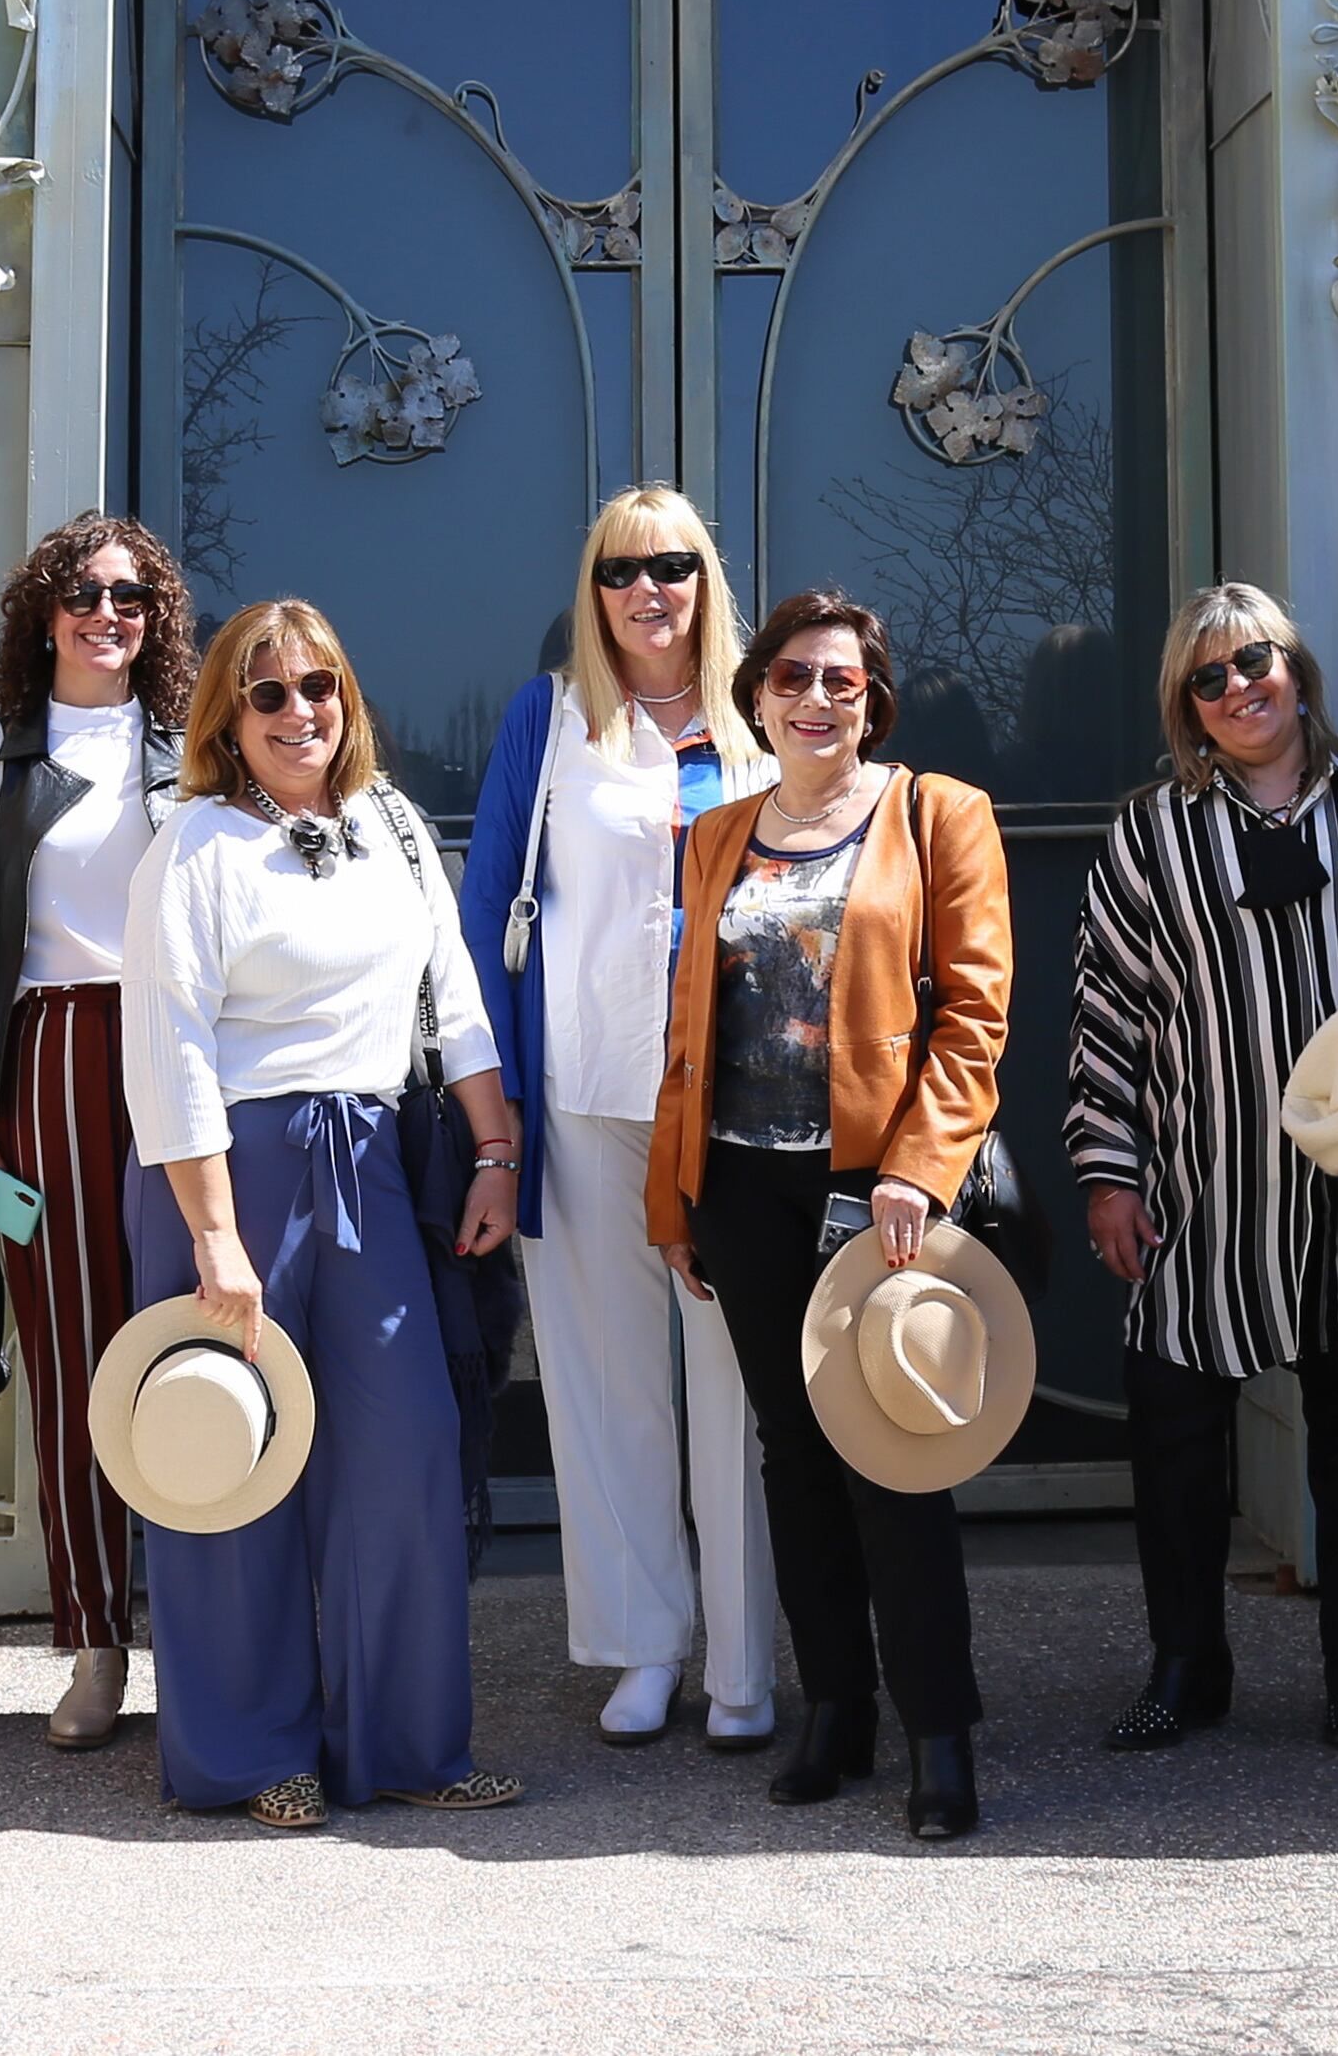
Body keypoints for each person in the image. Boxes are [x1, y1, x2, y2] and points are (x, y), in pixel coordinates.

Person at [117, 599, 527, 1828]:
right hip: (229, 1167)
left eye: (320, 687)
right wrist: (211, 1235)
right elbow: (168, 1044)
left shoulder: (390, 821)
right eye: (269, 694)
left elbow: (450, 985)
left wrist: (495, 1145)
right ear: (225, 720)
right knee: (227, 1456)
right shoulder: (188, 844)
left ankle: (406, 1742)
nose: (301, 712)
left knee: (401, 1452)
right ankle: (247, 1753)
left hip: (373, 1162)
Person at [653, 589, 1009, 1841]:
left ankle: (938, 1731)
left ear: (873, 698)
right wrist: (675, 1195)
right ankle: (834, 1710)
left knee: (895, 1453)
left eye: (840, 682)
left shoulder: (936, 814)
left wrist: (917, 1164)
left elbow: (972, 1015)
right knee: (792, 1458)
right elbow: (687, 1030)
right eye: (793, 677)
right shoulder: (719, 834)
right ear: (755, 695)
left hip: (872, 1188)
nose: (814, 699)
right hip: (744, 1183)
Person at [1067, 585, 1338, 1752]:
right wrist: (1108, 1173)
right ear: (1185, 704)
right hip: (1200, 1185)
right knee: (1173, 1440)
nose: (1237, 690)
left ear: (1296, 662)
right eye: (1206, 679)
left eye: (1254, 661)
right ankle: (1185, 1662)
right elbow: (1105, 1015)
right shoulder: (1150, 831)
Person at [460, 487, 780, 1752]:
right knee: (606, 1392)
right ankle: (645, 1646)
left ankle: (745, 1663)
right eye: (619, 569)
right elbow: (486, 910)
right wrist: (500, 1119)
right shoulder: (549, 722)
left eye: (672, 565)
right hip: (583, 1091)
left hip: (738, 1111)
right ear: (590, 593)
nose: (647, 590)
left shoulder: (763, 722)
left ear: (706, 582)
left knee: (734, 1388)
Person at [0, 515, 190, 1750]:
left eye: (130, 598)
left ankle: (205, 1633)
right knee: (76, 1352)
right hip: (55, 1058)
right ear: (42, 612)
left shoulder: (198, 752)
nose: (105, 613)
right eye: (81, 593)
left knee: (198, 1335)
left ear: (156, 620)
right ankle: (94, 1641)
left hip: (185, 1054)